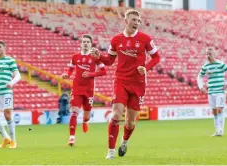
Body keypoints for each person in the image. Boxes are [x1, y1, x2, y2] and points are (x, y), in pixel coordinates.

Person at [90, 9, 160, 159]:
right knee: (116, 114)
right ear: (126, 20)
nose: (137, 23)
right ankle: (110, 152)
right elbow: (109, 61)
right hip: (121, 80)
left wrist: (145, 68)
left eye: (138, 21)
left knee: (129, 122)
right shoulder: (116, 40)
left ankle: (124, 141)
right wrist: (99, 57)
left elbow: (156, 58)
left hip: (138, 83)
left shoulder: (145, 39)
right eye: (134, 20)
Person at [62, 34, 106, 146]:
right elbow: (71, 68)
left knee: (86, 116)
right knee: (74, 111)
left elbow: (103, 71)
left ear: (91, 44)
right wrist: (67, 75)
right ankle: (72, 137)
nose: (85, 43)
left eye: (87, 42)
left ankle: (85, 121)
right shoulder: (75, 57)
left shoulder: (95, 57)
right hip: (77, 87)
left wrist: (91, 74)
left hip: (89, 89)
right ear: (81, 44)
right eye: (84, 41)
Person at [197, 47, 227, 137]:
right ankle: (217, 130)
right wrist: (201, 86)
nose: (208, 56)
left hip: (220, 91)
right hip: (211, 92)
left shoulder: (220, 64)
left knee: (219, 109)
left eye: (209, 54)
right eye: (206, 54)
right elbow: (199, 76)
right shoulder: (206, 66)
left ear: (214, 54)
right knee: (214, 111)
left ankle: (221, 131)